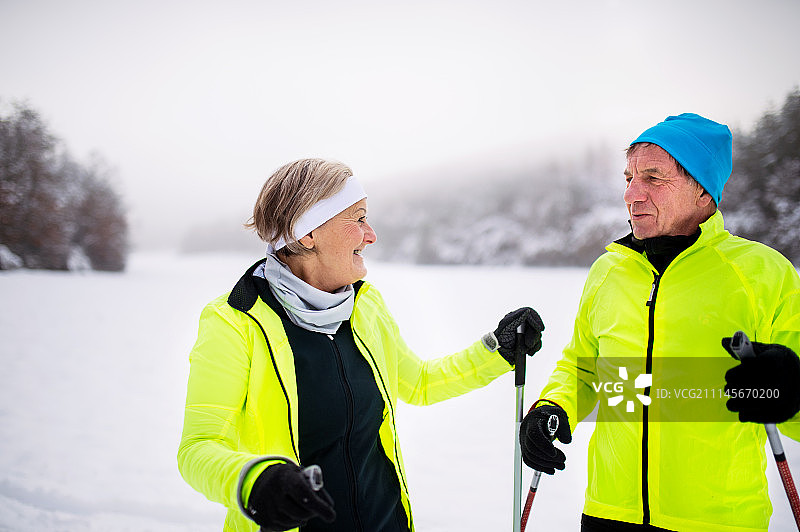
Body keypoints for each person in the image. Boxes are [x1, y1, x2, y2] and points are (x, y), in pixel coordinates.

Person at [177, 158, 545, 532]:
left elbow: (418, 382)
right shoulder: (235, 321)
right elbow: (199, 447)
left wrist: (496, 349)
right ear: (308, 234)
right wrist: (255, 481)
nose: (371, 235)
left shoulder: (365, 306)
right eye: (358, 219)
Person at [519, 113, 800, 531]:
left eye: (653, 178)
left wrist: (789, 387)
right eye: (628, 177)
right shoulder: (609, 271)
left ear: (703, 189)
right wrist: (550, 408)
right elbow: (582, 366)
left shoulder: (761, 273)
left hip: (718, 521)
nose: (631, 194)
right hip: (609, 514)